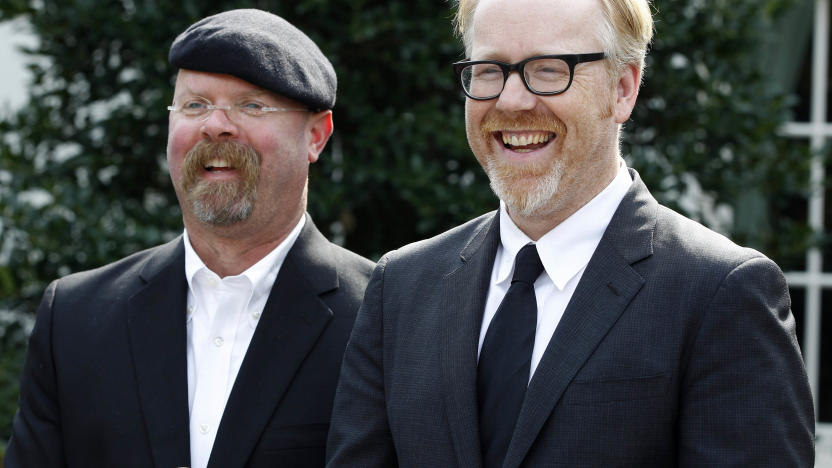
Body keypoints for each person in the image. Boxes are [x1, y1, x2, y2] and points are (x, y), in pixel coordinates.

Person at [326, 0, 815, 466]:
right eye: (491, 71)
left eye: (549, 69)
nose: (512, 100)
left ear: (623, 89)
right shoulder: (403, 287)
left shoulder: (720, 294)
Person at [6, 9, 373, 468]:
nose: (215, 125)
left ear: (316, 136)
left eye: (251, 105)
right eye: (194, 105)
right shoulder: (76, 318)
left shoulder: (381, 316)